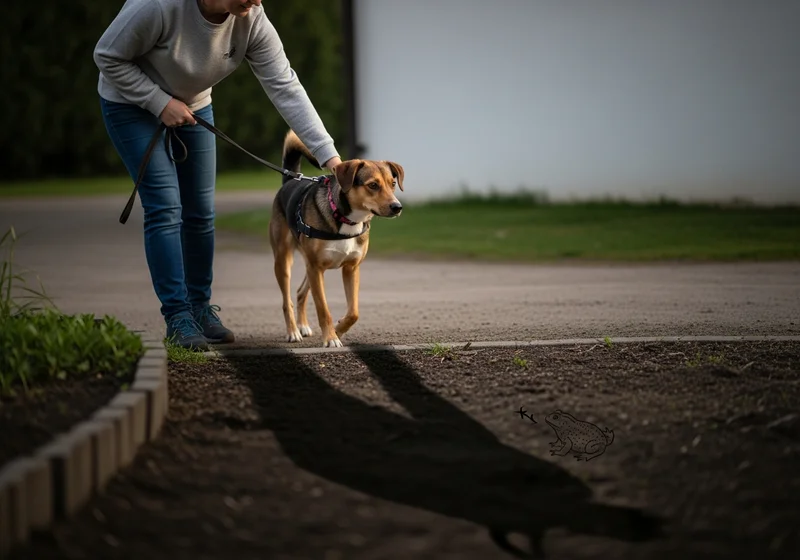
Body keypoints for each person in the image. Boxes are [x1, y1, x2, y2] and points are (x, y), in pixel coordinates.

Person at [93, 0, 342, 351]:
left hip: (193, 105)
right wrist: (158, 102)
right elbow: (107, 56)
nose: (256, 0)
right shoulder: (158, 6)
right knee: (165, 207)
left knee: (200, 212)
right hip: (130, 105)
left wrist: (330, 157)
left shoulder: (252, 19)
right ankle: (178, 316)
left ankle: (200, 307)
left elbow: (285, 85)